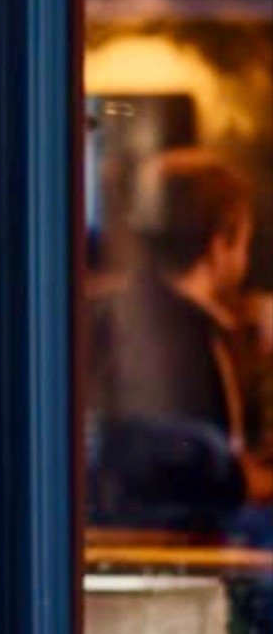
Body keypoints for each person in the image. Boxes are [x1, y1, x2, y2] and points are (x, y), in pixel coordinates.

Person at [89, 147, 272, 519]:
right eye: (245, 241)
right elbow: (212, 479)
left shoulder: (121, 314)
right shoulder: (190, 338)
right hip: (182, 540)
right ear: (219, 244)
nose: (246, 258)